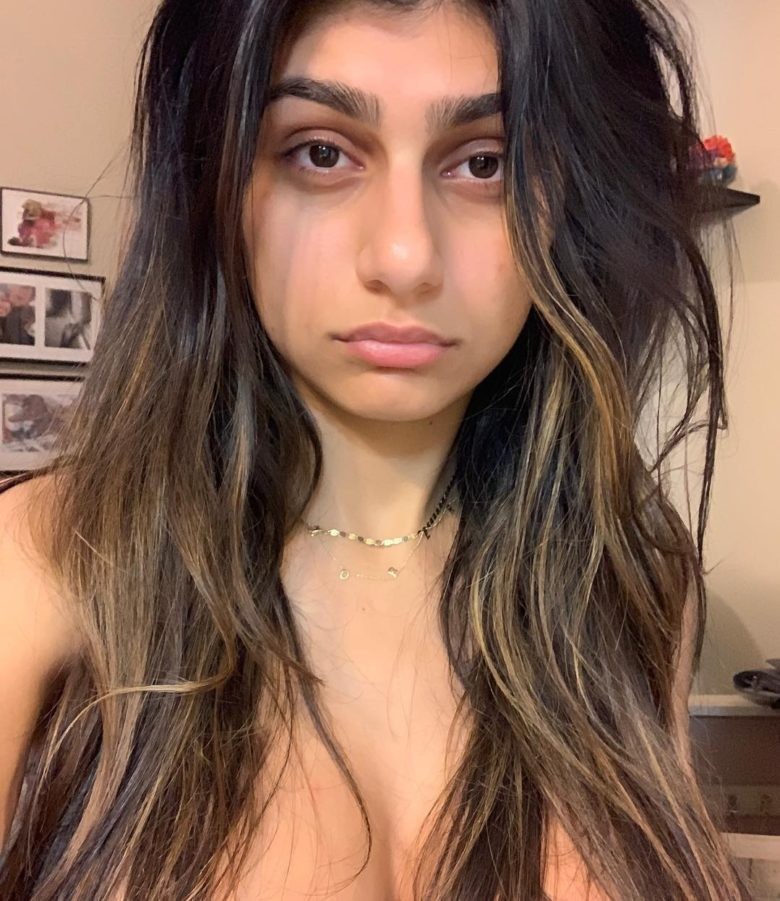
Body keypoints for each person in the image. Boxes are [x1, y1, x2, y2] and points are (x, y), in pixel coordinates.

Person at [0, 1, 748, 898]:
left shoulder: (629, 577)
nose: (404, 256)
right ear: (213, 183)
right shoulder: (40, 568)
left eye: (486, 162)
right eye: (321, 152)